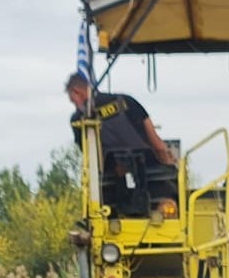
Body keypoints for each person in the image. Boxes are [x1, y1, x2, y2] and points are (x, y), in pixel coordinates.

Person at [66, 72, 177, 215]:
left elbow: (90, 161)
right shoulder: (127, 101)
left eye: (72, 100)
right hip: (154, 190)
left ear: (77, 92)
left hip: (107, 198)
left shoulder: (78, 120)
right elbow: (158, 145)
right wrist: (169, 167)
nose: (74, 105)